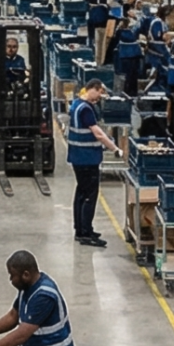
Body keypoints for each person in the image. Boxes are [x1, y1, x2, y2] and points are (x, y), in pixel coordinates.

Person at [63, 80, 120, 248]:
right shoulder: (86, 109)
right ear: (92, 89)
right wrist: (115, 149)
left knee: (81, 193)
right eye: (99, 93)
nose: (99, 97)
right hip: (87, 158)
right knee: (89, 196)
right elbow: (98, 134)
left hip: (77, 157)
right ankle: (86, 233)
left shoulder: (76, 104)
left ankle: (80, 229)